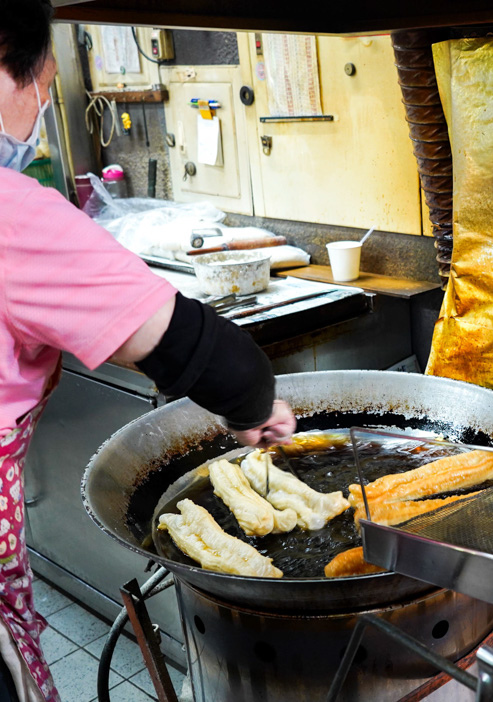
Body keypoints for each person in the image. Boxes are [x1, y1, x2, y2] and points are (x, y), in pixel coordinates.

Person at [0, 2, 296, 699]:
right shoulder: (11, 212)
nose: (42, 105)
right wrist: (255, 406)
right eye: (41, 80)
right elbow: (195, 347)